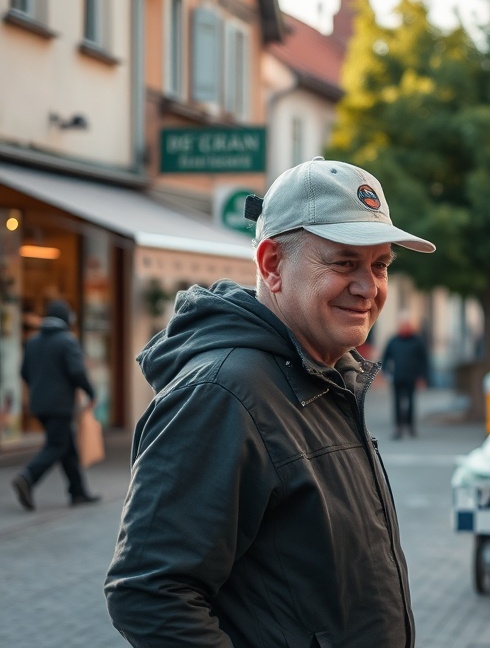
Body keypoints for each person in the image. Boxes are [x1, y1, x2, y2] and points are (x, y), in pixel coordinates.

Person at [104, 158, 435, 647]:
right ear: (272, 265)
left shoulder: (326, 374)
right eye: (344, 262)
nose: (369, 287)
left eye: (380, 265)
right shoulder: (223, 393)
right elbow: (149, 593)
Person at [11, 299, 100, 510]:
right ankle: (27, 477)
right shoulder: (67, 341)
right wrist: (90, 392)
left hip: (38, 404)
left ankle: (78, 492)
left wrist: (39, 388)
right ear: (66, 318)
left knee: (67, 447)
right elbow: (77, 371)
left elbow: (24, 372)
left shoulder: (33, 341)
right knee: (57, 445)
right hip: (60, 405)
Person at [381, 313, 430, 439]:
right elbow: (386, 357)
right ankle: (398, 426)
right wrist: (385, 371)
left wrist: (423, 376)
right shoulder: (393, 341)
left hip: (412, 377)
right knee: (397, 402)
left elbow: (424, 360)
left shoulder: (417, 341)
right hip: (397, 376)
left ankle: (410, 426)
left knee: (411, 402)